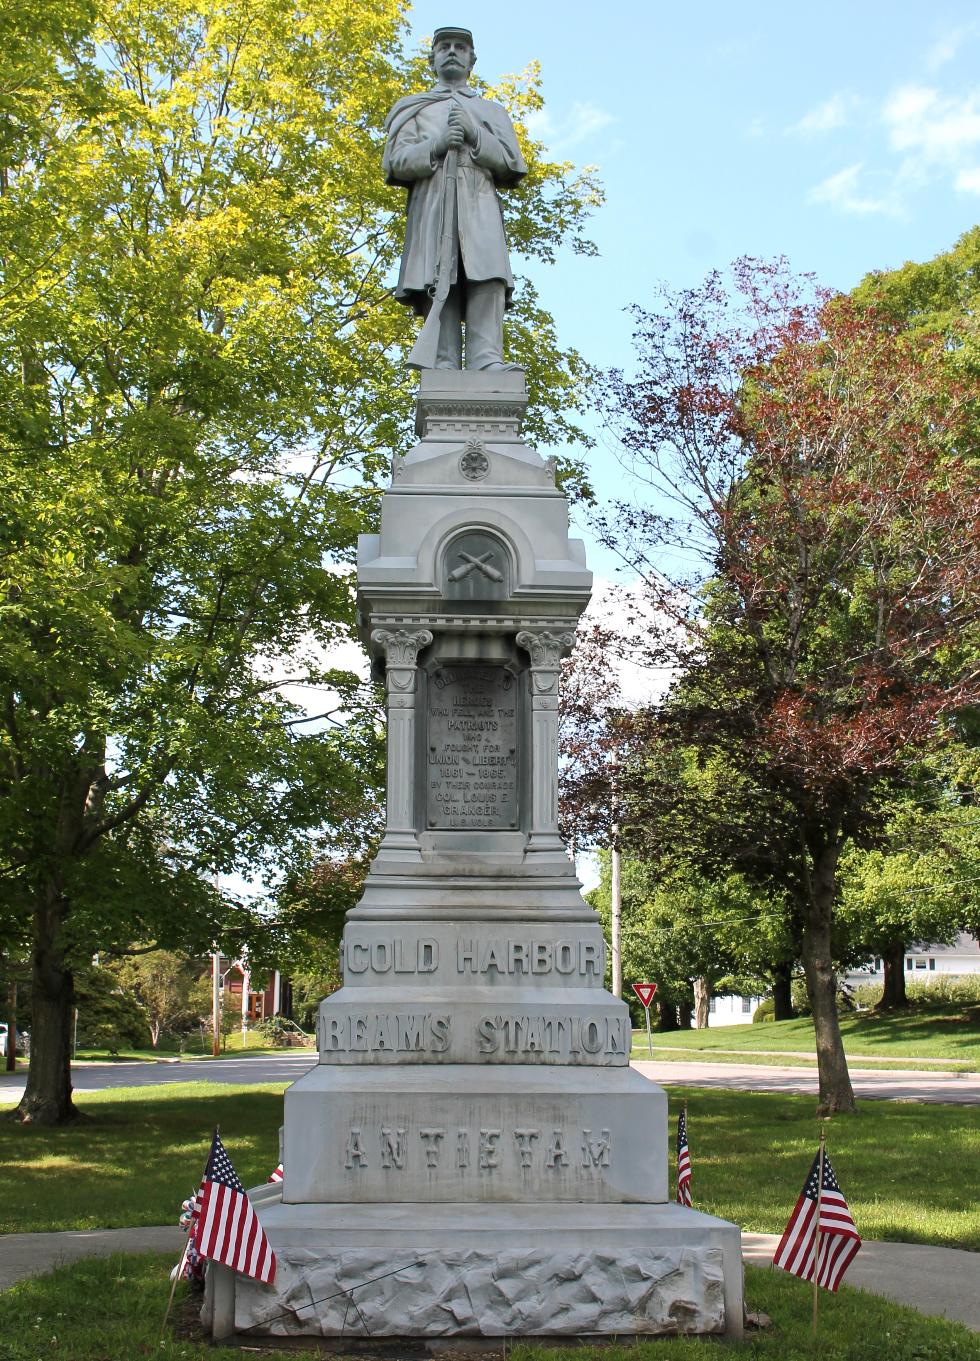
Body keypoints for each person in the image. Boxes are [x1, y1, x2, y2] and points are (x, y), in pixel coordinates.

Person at [383, 26, 527, 371]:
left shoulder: (492, 112)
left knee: (488, 275)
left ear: (471, 59)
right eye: (444, 46)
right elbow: (396, 162)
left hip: (479, 201)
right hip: (434, 202)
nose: (451, 51)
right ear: (431, 58)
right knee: (439, 275)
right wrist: (436, 143)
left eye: (460, 47)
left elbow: (512, 163)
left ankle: (486, 359)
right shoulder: (412, 109)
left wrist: (475, 133)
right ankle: (443, 359)